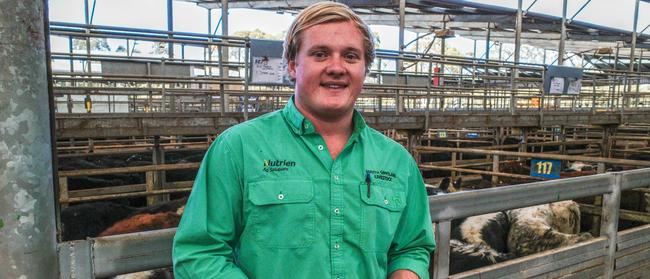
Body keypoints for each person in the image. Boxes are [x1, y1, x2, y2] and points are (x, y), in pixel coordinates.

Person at [172, 2, 435, 278]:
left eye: (351, 56)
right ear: (293, 65)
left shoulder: (397, 161)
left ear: (365, 69)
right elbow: (199, 254)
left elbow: (411, 247)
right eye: (320, 54)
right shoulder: (237, 148)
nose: (337, 67)